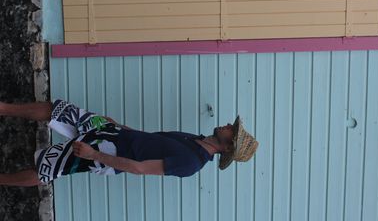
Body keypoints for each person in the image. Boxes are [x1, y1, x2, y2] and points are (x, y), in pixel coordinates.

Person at [0, 99, 258, 186]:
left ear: (227, 147)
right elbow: (150, 139)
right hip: (113, 133)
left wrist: (94, 155)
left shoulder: (191, 163)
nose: (226, 125)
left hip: (107, 152)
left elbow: (138, 167)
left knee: (49, 168)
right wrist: (117, 125)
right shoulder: (195, 139)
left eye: (231, 131)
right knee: (59, 109)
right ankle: (3, 108)